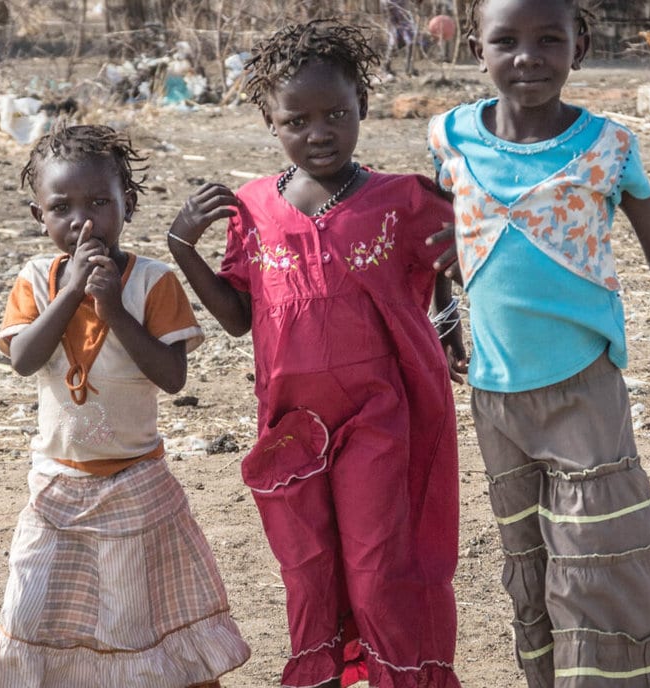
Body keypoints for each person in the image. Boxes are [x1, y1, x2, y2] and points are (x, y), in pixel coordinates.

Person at [429, 0, 650, 684]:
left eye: (548, 39)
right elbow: (442, 239)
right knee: (531, 565)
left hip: (585, 394)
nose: (526, 57)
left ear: (580, 44)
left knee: (599, 560)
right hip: (494, 398)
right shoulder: (449, 137)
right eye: (505, 41)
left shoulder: (607, 145)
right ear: (477, 49)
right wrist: (445, 315)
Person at [166, 19, 465, 688]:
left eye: (335, 113)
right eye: (297, 120)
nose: (319, 131)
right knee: (307, 565)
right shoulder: (251, 209)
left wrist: (451, 316)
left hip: (380, 415)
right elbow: (241, 320)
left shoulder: (399, 199)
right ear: (269, 121)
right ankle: (325, 673)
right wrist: (185, 250)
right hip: (292, 427)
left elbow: (455, 251)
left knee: (377, 560)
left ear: (362, 102)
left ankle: (399, 677)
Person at [0, 124, 250, 687]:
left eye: (100, 202)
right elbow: (25, 359)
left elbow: (172, 377)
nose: (83, 221)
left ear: (128, 203)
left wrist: (113, 310)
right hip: (56, 483)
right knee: (32, 606)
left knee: (131, 619)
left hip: (135, 483)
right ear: (39, 217)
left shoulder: (152, 282)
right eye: (63, 207)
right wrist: (71, 293)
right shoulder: (36, 279)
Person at [383, 0, 420, 75]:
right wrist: (391, 21)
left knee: (411, 40)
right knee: (394, 42)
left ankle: (409, 67)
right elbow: (386, 8)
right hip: (396, 20)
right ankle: (386, 66)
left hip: (405, 19)